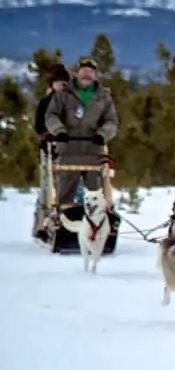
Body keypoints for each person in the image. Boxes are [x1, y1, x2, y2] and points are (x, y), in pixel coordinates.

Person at [45, 57, 119, 210]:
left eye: (91, 72)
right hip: (68, 150)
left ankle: (96, 227)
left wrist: (103, 134)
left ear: (95, 75)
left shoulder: (104, 97)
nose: (87, 74)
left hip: (93, 151)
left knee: (96, 195)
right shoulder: (63, 95)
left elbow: (111, 121)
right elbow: (51, 115)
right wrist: (59, 131)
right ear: (77, 73)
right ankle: (62, 225)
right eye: (84, 71)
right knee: (64, 196)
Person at [33, 64, 71, 239]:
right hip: (49, 150)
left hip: (69, 151)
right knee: (48, 189)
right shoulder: (46, 103)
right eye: (59, 83)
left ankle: (69, 220)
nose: (62, 86)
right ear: (53, 84)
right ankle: (41, 225)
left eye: (65, 83)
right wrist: (48, 135)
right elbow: (38, 125)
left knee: (69, 187)